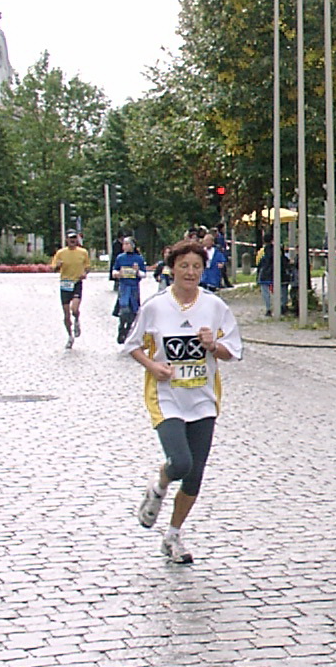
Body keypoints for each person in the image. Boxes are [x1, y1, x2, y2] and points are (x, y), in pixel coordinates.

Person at [127, 238, 243, 564]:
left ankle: (173, 535)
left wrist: (213, 346)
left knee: (195, 475)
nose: (190, 273)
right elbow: (132, 345)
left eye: (196, 267)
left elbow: (233, 351)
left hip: (203, 398)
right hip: (166, 396)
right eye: (184, 266)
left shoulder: (215, 306)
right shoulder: (155, 306)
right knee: (180, 462)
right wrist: (154, 366)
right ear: (171, 269)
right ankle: (159, 486)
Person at [50, 230, 93, 350]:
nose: (73, 240)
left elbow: (88, 267)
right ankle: (70, 336)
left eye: (74, 238)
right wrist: (58, 266)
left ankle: (77, 320)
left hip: (76, 283)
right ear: (66, 240)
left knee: (74, 309)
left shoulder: (83, 252)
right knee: (66, 313)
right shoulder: (60, 253)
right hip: (65, 284)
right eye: (70, 238)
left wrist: (84, 273)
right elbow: (53, 268)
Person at [111, 236, 147, 344]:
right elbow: (114, 270)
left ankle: (128, 331)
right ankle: (121, 327)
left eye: (127, 244)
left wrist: (137, 272)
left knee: (134, 312)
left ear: (132, 246)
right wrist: (117, 274)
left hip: (134, 288)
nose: (125, 246)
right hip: (124, 287)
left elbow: (144, 274)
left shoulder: (139, 258)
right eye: (124, 244)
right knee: (124, 309)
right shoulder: (120, 258)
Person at [255, 240, 276, 316]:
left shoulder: (262, 251)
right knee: (276, 292)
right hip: (274, 273)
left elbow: (258, 263)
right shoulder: (277, 250)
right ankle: (279, 307)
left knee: (265, 293)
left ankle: (268, 309)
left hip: (264, 274)